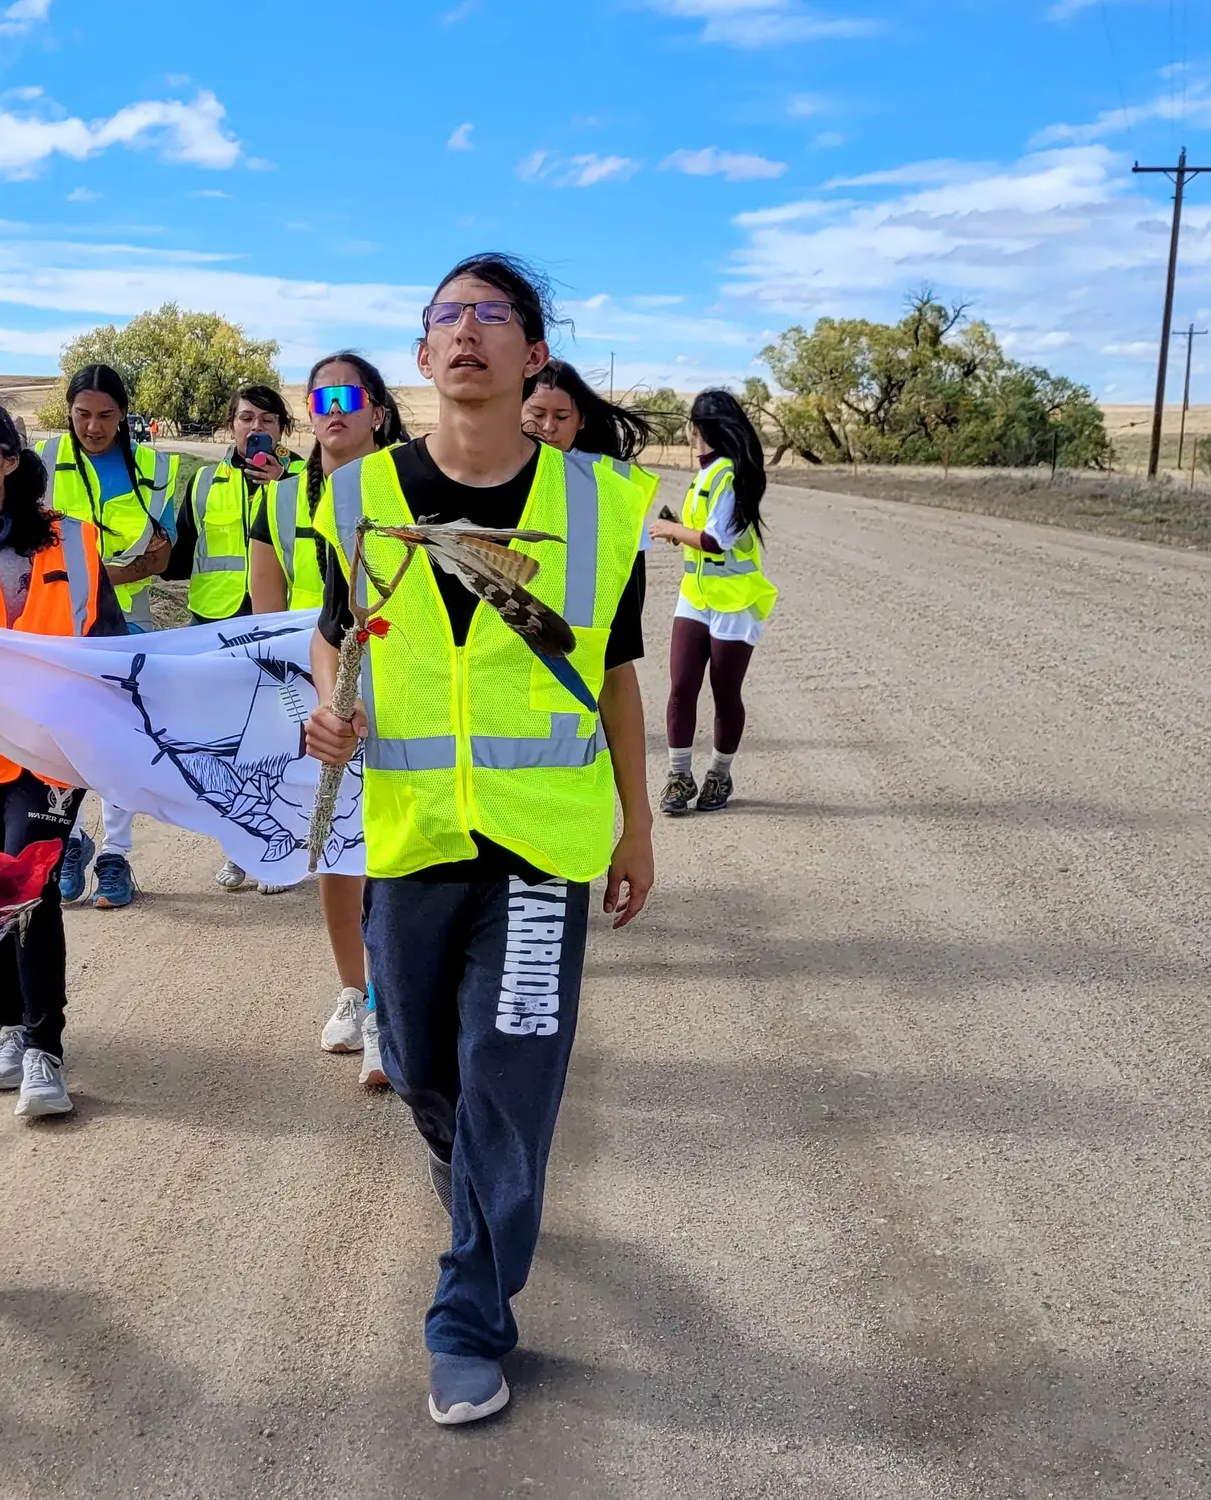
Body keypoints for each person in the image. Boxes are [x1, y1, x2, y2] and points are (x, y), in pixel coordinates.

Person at [302, 253, 656, 1427]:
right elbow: (337, 633)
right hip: (411, 836)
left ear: (535, 353)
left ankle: (468, 1314)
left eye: (493, 317)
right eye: (445, 317)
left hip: (542, 844)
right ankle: (483, 1194)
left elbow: (612, 671)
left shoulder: (602, 504)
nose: (467, 334)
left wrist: (637, 826)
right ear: (420, 356)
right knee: (419, 1067)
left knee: (510, 1082)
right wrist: (329, 708)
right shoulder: (357, 496)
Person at [0, 396, 126, 1118]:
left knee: (28, 889)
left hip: (45, 752)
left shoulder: (75, 542)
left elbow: (105, 641)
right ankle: (8, 1026)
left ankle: (45, 1047)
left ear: (10, 461)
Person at [252, 353, 409, 1084]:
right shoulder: (303, 499)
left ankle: (393, 1002)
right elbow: (325, 619)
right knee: (336, 842)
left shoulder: (413, 484)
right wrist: (323, 702)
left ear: (378, 409)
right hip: (334, 694)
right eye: (317, 397)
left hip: (408, 698)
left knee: (390, 852)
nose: (331, 407)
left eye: (347, 394)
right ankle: (360, 993)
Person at [35, 365, 173, 909]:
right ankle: (70, 842)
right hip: (59, 626)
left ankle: (115, 855)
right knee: (65, 743)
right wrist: (117, 572)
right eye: (82, 415)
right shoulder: (41, 460)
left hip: (127, 625)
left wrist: (126, 573)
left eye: (106, 415)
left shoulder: (153, 466)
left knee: (116, 742)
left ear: (125, 414)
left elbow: (159, 556)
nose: (93, 427)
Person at [197, 383, 305, 894]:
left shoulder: (308, 478)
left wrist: (282, 484)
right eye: (245, 418)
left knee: (280, 744)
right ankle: (239, 848)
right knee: (226, 747)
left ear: (282, 429)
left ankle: (289, 846)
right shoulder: (205, 482)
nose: (255, 428)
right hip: (220, 624)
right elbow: (181, 555)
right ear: (231, 425)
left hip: (287, 630)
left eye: (266, 419)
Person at [646, 389, 775, 815]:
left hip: (735, 600)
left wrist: (670, 529)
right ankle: (679, 776)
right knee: (681, 687)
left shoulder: (731, 475)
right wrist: (681, 528)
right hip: (697, 595)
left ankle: (719, 773)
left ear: (695, 429)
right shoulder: (707, 474)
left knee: (724, 692)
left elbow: (716, 541)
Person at [519, 359, 652, 461]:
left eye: (561, 416)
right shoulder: (498, 468)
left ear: (581, 420)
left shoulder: (602, 478)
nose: (548, 427)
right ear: (517, 412)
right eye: (538, 414)